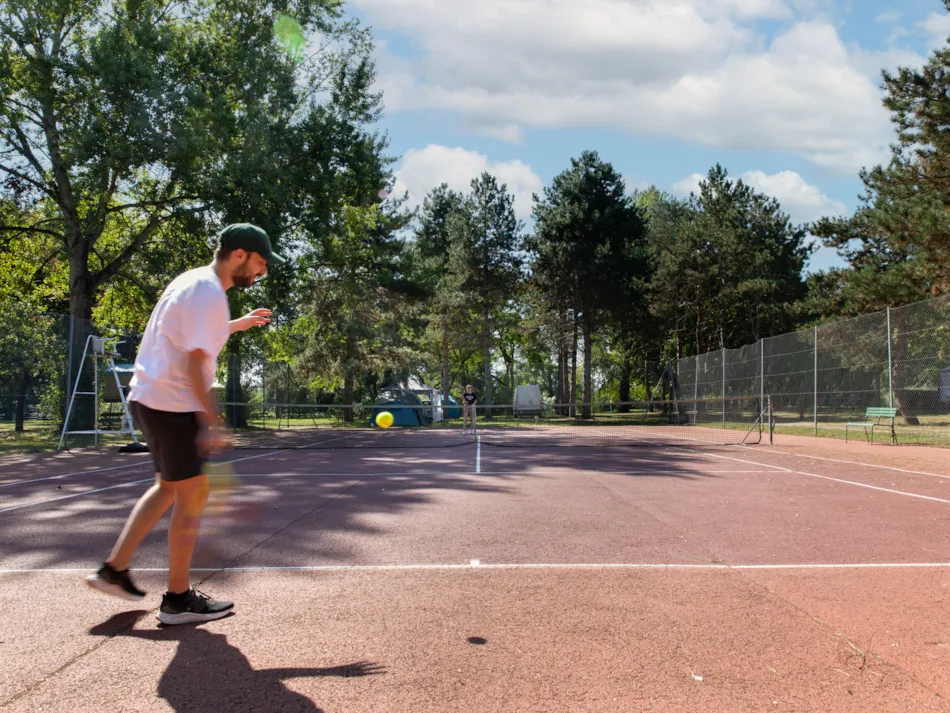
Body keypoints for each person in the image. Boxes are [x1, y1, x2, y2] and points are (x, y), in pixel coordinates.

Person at [86, 223, 286, 625]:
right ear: (240, 255)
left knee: (168, 490)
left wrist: (238, 324)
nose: (262, 272)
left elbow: (189, 336)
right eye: (261, 262)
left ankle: (115, 569)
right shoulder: (209, 293)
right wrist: (211, 422)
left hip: (150, 399)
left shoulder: (194, 283)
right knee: (192, 498)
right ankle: (177, 600)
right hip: (172, 405)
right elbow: (196, 362)